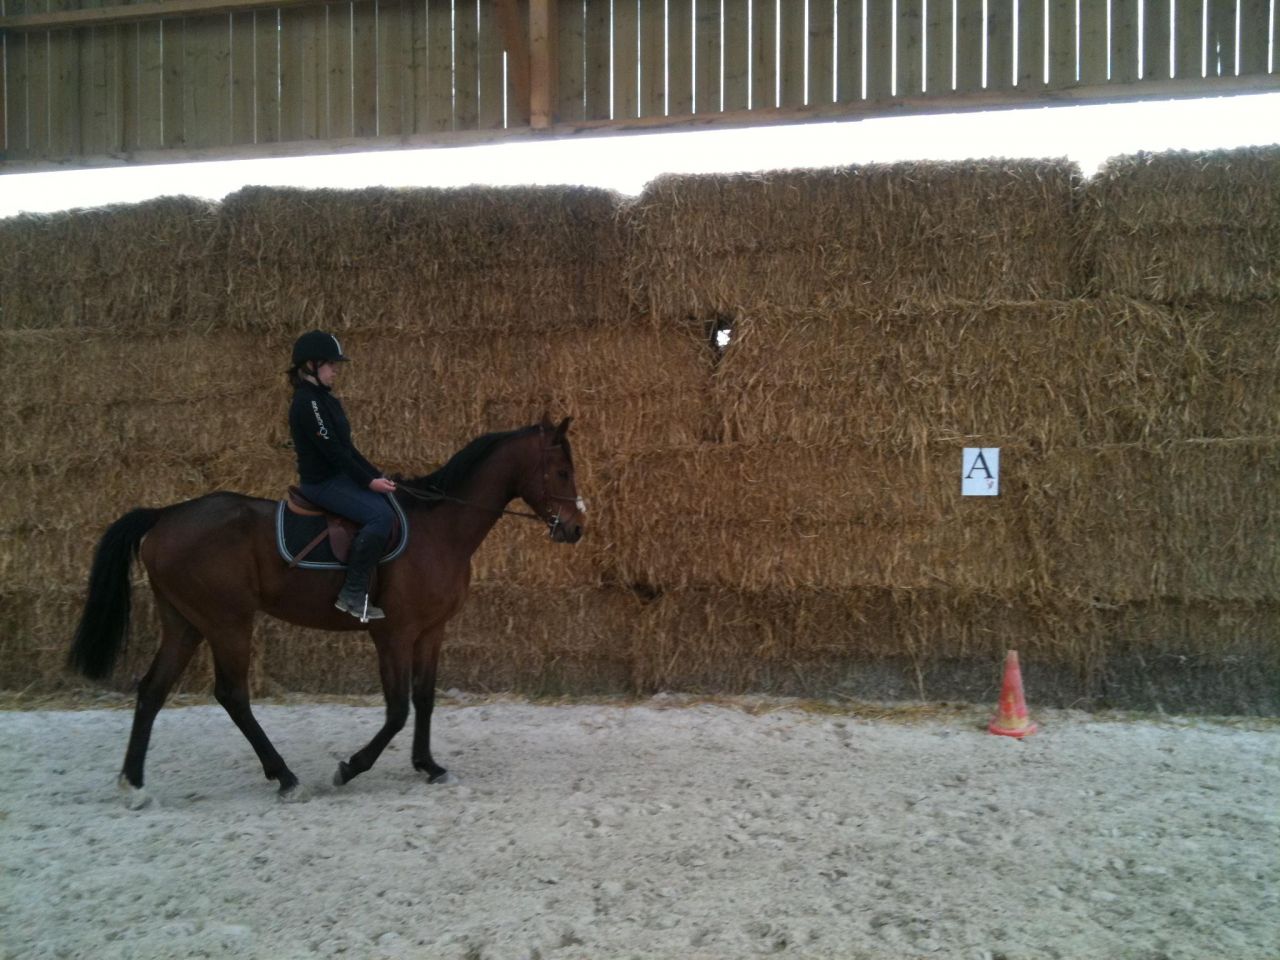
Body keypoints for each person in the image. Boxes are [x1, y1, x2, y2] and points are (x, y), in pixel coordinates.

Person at [287, 330, 397, 622]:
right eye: (331, 363)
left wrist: (375, 476)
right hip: (322, 484)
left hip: (339, 479)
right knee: (380, 517)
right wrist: (367, 482)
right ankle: (352, 593)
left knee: (387, 504)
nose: (336, 369)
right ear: (311, 365)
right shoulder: (308, 403)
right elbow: (333, 452)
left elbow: (347, 449)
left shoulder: (325, 399)